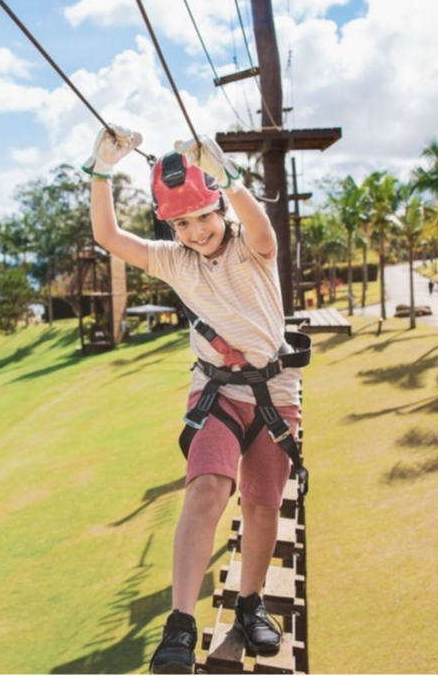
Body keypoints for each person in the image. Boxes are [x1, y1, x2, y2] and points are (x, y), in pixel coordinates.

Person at [86, 125, 302, 675]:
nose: (196, 230)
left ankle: (249, 604)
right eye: (181, 222)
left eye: (204, 215)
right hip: (216, 391)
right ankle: (180, 624)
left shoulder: (253, 248)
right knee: (206, 490)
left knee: (261, 504)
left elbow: (258, 225)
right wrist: (102, 171)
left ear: (219, 207)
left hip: (273, 393)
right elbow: (110, 237)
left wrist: (229, 179)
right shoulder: (174, 260)